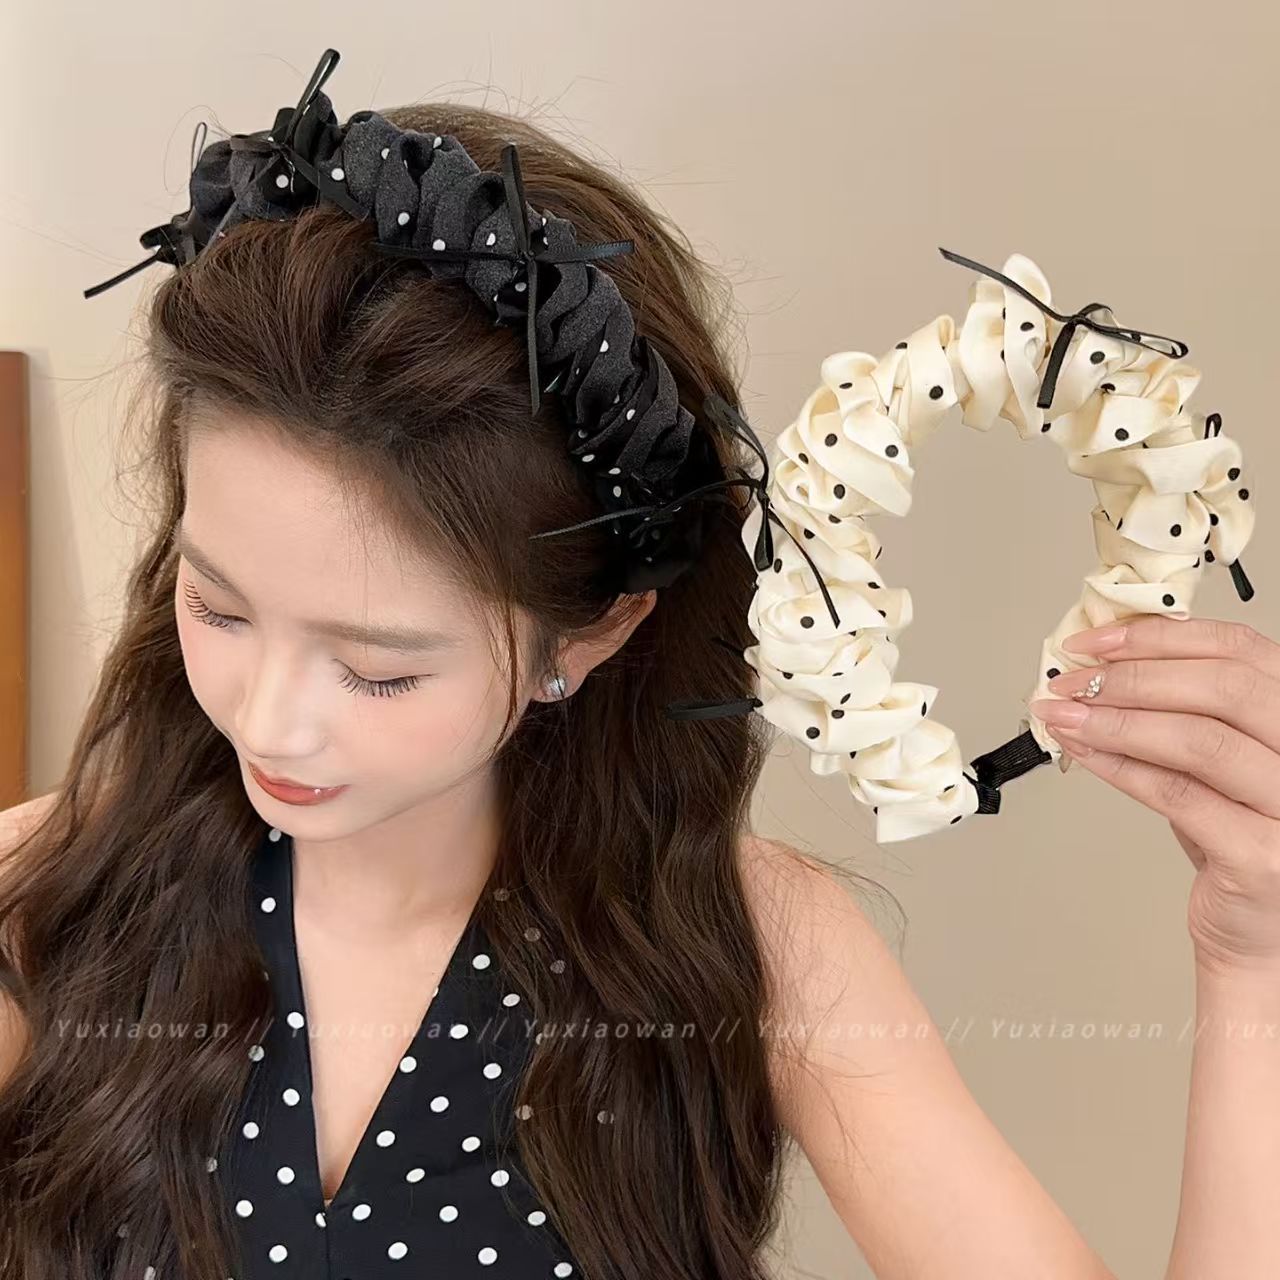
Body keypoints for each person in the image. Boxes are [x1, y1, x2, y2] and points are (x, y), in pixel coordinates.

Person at [2, 87, 1280, 1280]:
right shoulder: (46, 903)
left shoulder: (750, 945)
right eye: (216, 604)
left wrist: (1251, 955)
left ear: (593, 633)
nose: (269, 718)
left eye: (378, 670)